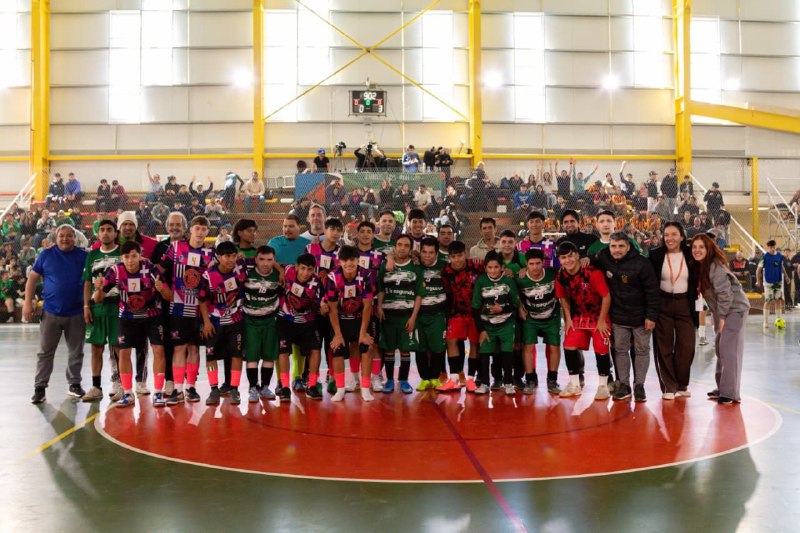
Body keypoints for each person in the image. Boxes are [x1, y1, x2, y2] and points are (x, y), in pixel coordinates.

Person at [94, 241, 172, 407]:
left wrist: (161, 289)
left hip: (152, 315)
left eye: (134, 256)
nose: (130, 260)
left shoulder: (150, 269)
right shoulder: (115, 271)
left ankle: (158, 392)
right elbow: (98, 299)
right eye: (127, 257)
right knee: (124, 352)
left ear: (140, 256)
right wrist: (98, 289)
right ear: (121, 258)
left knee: (159, 350)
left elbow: (169, 296)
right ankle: (128, 393)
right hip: (127, 316)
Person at [25, 225, 89, 403]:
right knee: (45, 352)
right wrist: (27, 303)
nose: (65, 239)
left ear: (75, 238)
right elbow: (32, 279)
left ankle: (74, 384)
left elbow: (89, 281)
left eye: (69, 236)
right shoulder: (46, 254)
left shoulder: (84, 256)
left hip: (76, 312)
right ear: (56, 237)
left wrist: (87, 305)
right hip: (50, 312)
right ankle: (40, 388)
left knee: (76, 351)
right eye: (62, 236)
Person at [593, 232, 660, 402]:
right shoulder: (604, 257)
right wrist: (585, 259)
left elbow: (652, 291)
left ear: (628, 246)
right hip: (618, 317)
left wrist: (651, 316)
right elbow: (592, 260)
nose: (617, 250)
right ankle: (624, 385)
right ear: (609, 246)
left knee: (642, 350)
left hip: (641, 318)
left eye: (621, 246)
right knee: (620, 351)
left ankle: (639, 385)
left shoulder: (642, 263)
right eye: (613, 246)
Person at [158, 216, 215, 405]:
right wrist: (164, 288)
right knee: (179, 348)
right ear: (190, 229)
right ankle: (177, 389)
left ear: (208, 232)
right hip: (178, 308)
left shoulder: (211, 253)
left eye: (204, 229)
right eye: (197, 228)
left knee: (194, 348)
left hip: (199, 310)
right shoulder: (175, 248)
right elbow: (160, 270)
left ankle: (191, 387)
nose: (200, 232)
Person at [690, 234, 750, 404]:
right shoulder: (702, 266)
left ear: (708, 249)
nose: (697, 250)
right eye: (694, 247)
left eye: (701, 247)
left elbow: (725, 294)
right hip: (722, 311)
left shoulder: (715, 267)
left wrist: (721, 316)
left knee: (729, 350)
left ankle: (730, 393)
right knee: (720, 348)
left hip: (734, 309)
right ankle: (723, 388)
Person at [554, 241, 612, 399]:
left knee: (601, 348)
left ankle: (603, 386)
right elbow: (563, 298)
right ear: (559, 260)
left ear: (577, 255)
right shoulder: (561, 276)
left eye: (570, 256)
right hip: (578, 317)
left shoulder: (592, 273)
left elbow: (606, 297)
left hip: (598, 316)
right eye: (563, 258)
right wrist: (568, 319)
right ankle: (574, 385)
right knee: (569, 345)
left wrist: (602, 321)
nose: (568, 260)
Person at [649, 221, 698, 400]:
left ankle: (682, 384)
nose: (669, 238)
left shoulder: (690, 254)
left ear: (682, 237)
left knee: (687, 346)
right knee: (664, 345)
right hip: (662, 304)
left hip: (685, 303)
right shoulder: (655, 255)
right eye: (666, 235)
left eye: (674, 234)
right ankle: (669, 386)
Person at [199, 241, 248, 406]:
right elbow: (202, 299)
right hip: (214, 322)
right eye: (227, 256)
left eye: (234, 256)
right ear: (218, 257)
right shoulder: (208, 275)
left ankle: (234, 389)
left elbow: (261, 259)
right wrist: (206, 322)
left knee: (236, 355)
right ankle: (213, 389)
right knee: (211, 356)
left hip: (236, 320)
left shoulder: (240, 268)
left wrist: (280, 270)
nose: (231, 259)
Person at [326, 245, 376, 401]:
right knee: (337, 348)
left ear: (358, 260)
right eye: (345, 260)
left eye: (352, 260)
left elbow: (368, 306)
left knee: (365, 346)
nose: (349, 263)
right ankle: (340, 390)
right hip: (340, 319)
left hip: (360, 317)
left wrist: (363, 333)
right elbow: (332, 308)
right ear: (340, 261)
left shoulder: (366, 275)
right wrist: (338, 335)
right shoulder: (333, 277)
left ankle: (364, 388)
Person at [376, 235, 423, 393]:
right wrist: (379, 307)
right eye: (400, 245)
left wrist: (413, 318)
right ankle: (389, 380)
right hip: (388, 316)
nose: (402, 248)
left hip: (406, 317)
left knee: (405, 350)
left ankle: (403, 380)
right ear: (395, 247)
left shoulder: (416, 268)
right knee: (389, 350)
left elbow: (419, 295)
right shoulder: (385, 266)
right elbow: (381, 289)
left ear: (411, 249)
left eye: (406, 245)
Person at [81, 220, 121, 402]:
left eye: (109, 230)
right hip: (97, 307)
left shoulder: (122, 253)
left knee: (119, 347)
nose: (105, 233)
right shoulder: (92, 255)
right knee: (96, 348)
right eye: (102, 230)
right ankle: (96, 387)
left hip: (117, 306)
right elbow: (87, 283)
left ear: (115, 233)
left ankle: (121, 384)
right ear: (98, 234)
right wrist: (86, 306)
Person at [276, 253, 323, 402]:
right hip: (285, 318)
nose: (305, 273)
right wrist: (280, 270)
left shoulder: (316, 283)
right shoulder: (288, 270)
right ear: (296, 267)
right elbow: (274, 263)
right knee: (283, 350)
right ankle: (284, 387)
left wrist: (323, 307)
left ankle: (312, 385)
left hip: (307, 321)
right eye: (302, 268)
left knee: (316, 349)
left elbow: (321, 303)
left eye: (309, 269)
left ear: (313, 270)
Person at [471, 251, 520, 396]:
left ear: (502, 267)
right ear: (485, 268)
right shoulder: (481, 282)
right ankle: (485, 383)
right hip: (487, 325)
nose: (493, 270)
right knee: (485, 353)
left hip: (506, 323)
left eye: (496, 267)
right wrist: (481, 330)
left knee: (507, 353)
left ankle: (508, 383)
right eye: (490, 267)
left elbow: (515, 304)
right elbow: (475, 308)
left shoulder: (508, 281)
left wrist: (502, 309)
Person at [149, 211, 186, 396]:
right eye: (171, 224)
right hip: (164, 301)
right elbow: (154, 271)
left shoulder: (190, 246)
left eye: (178, 224)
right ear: (166, 227)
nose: (174, 228)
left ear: (185, 227)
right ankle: (169, 380)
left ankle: (184, 381)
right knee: (167, 342)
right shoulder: (160, 247)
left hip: (186, 302)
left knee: (183, 343)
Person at [515, 248, 562, 395]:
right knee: (528, 347)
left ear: (543, 263)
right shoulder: (520, 279)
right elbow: (513, 293)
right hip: (530, 319)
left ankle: (552, 380)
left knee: (554, 346)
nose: (535, 267)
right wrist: (520, 308)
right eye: (531, 264)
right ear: (526, 264)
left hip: (552, 317)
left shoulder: (553, 274)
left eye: (538, 263)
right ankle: (530, 379)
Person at [242, 245, 281, 402]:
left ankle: (265, 387)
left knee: (269, 356)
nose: (265, 263)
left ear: (274, 261)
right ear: (255, 260)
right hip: (250, 321)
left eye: (269, 260)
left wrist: (281, 270)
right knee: (252, 356)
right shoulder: (246, 272)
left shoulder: (279, 275)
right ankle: (253, 387)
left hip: (271, 321)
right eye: (261, 259)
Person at [414, 237, 448, 391]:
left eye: (431, 253)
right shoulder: (415, 266)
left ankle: (435, 377)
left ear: (437, 254)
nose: (427, 255)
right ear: (420, 252)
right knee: (420, 347)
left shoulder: (444, 267)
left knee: (438, 347)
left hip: (438, 314)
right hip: (419, 314)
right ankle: (424, 378)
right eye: (424, 252)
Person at [756, 240, 789, 329]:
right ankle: (765, 321)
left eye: (774, 247)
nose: (772, 249)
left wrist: (786, 276)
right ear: (768, 247)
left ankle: (779, 319)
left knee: (778, 300)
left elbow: (781, 266)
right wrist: (758, 281)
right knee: (768, 301)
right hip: (768, 282)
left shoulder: (779, 256)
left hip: (778, 281)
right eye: (771, 247)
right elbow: (758, 270)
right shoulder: (764, 257)